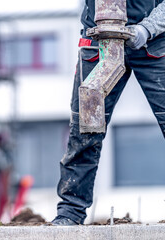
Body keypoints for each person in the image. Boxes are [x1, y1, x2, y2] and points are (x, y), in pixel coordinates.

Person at [52, 0, 165, 225]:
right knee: (84, 131)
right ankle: (70, 213)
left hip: (153, 41)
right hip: (98, 41)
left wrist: (147, 28)